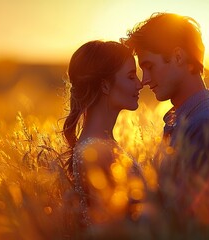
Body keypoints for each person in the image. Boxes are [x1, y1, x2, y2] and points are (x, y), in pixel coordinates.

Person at [122, 12, 209, 181]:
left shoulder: (205, 125)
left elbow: (191, 205)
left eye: (150, 66)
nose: (145, 80)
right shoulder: (185, 119)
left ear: (178, 57)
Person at [62, 40, 145, 229]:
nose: (140, 84)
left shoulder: (100, 143)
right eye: (131, 77)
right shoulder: (95, 151)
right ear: (105, 86)